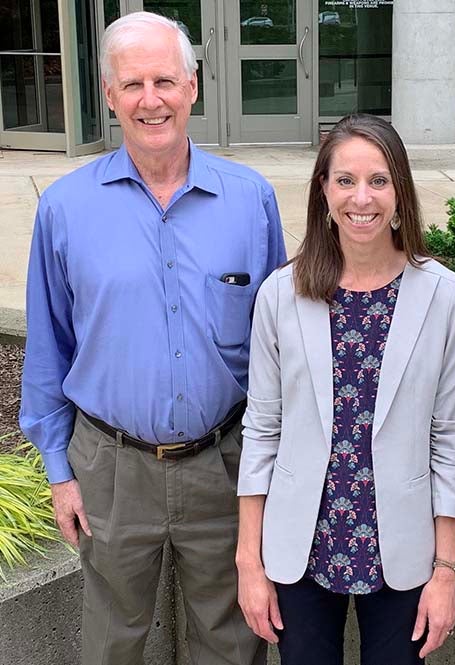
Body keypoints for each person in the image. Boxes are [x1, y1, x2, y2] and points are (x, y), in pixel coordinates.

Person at [20, 11, 285, 665]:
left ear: (192, 87)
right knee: (112, 641)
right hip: (109, 466)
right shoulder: (64, 208)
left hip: (224, 462)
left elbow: (282, 346)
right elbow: (48, 347)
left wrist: (275, 465)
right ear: (109, 96)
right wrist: (59, 472)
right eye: (131, 83)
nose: (150, 99)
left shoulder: (250, 199)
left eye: (164, 80)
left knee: (231, 641)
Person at [235, 113, 455, 665]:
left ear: (400, 193)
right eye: (345, 180)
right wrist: (250, 562)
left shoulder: (443, 297)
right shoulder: (280, 294)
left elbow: (448, 438)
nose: (361, 198)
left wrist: (446, 569)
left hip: (402, 546)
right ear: (323, 191)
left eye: (379, 180)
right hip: (300, 544)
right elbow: (261, 431)